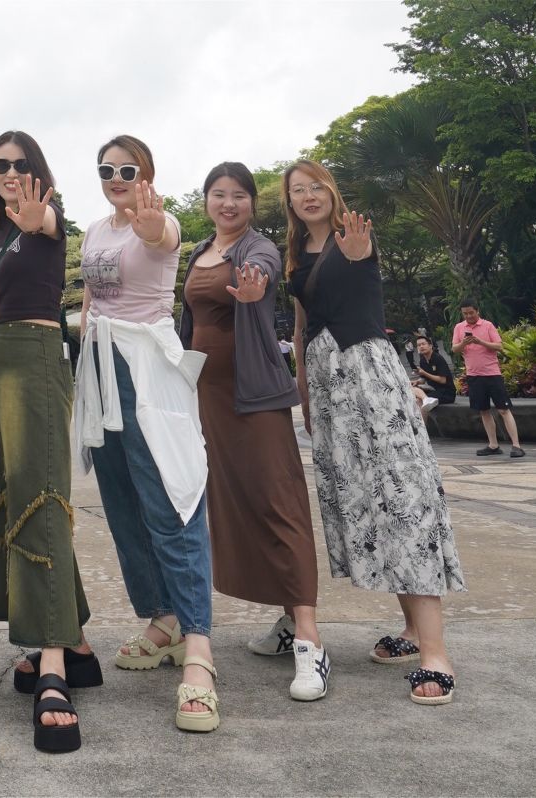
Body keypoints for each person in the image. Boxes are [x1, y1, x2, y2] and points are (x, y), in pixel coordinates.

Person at [285, 158, 465, 706]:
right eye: (297, 190)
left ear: (331, 191)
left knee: (404, 499)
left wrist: (358, 250)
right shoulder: (296, 253)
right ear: (290, 202)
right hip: (327, 388)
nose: (308, 195)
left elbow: (361, 262)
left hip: (369, 376)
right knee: (369, 501)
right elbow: (300, 330)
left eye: (316, 186)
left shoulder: (354, 236)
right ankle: (410, 630)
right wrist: (306, 396)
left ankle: (436, 653)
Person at [73, 135, 219, 734]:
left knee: (171, 502)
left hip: (148, 372)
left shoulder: (162, 222)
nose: (116, 177)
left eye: (127, 169)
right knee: (123, 504)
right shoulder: (93, 230)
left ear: (147, 174)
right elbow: (89, 302)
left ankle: (199, 647)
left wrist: (152, 225)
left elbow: (162, 239)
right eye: (106, 169)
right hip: (101, 369)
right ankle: (164, 619)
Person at [180, 162, 326, 702]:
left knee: (278, 501)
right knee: (239, 503)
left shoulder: (257, 248)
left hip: (255, 395)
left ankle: (310, 638)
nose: (229, 204)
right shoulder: (199, 251)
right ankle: (288, 620)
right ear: (206, 200)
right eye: (219, 194)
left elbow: (260, 274)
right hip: (209, 398)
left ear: (252, 203)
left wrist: (252, 290)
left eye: (239, 195)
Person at [0, 131, 89, 752]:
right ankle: (77, 641)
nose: (10, 173)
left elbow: (44, 223)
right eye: (0, 165)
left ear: (38, 172)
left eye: (21, 164)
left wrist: (35, 214)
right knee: (13, 493)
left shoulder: (48, 219)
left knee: (42, 498)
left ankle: (53, 668)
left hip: (41, 355)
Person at [454, 299, 524, 457]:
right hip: (473, 376)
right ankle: (493, 445)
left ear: (477, 311)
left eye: (471, 313)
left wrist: (480, 341)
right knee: (484, 411)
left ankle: (516, 445)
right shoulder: (459, 327)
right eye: (465, 313)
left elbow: (499, 346)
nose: (469, 316)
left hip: (492, 374)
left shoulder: (487, 325)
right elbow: (455, 349)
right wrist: (464, 343)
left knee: (503, 409)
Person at [413, 334, 455, 405]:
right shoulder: (422, 361)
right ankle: (426, 399)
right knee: (412, 390)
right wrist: (417, 382)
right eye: (419, 345)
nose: (421, 346)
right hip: (434, 390)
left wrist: (424, 373)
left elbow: (443, 380)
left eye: (423, 344)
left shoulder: (438, 358)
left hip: (446, 392)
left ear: (430, 346)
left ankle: (426, 399)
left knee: (419, 401)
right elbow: (423, 379)